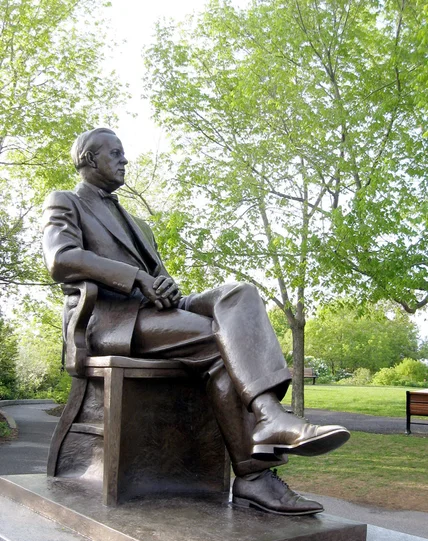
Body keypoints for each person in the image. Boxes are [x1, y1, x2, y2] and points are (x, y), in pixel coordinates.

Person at [42, 128, 350, 516]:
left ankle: (270, 422)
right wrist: (136, 278)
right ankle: (257, 470)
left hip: (157, 311)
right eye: (116, 153)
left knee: (240, 294)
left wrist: (165, 284)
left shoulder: (139, 223)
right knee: (218, 342)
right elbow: (61, 259)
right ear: (89, 160)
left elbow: (161, 277)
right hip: (112, 319)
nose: (125, 160)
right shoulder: (65, 202)